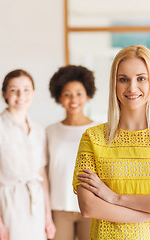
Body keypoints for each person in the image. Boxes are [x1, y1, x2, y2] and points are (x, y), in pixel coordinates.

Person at [72, 45, 150, 239]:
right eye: (123, 79)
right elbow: (89, 206)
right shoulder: (93, 138)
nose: (132, 87)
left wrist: (114, 198)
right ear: (114, 84)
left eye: (141, 78)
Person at [0, 69, 56, 240]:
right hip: (7, 204)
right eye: (14, 90)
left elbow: (42, 176)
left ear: (33, 92)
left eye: (26, 89)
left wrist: (48, 217)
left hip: (35, 206)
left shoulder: (38, 130)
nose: (21, 95)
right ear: (5, 94)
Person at [46, 65, 98, 240]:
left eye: (78, 93)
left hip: (91, 205)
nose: (73, 99)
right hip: (59, 206)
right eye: (67, 94)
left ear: (88, 95)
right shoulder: (50, 131)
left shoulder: (98, 130)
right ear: (59, 97)